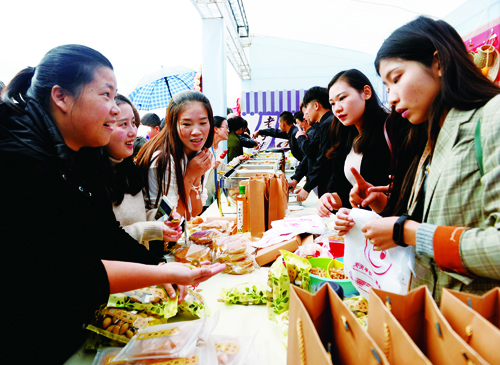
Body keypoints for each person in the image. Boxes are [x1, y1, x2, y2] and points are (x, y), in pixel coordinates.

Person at [0, 44, 225, 363]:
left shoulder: (85, 152)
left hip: (70, 329)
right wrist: (162, 274)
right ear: (61, 97)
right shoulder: (18, 161)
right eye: (106, 95)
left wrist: (160, 266)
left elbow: (105, 233)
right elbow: (69, 275)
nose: (116, 110)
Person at [336, 16, 500, 303]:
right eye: (386, 85)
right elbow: (434, 223)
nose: (392, 96)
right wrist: (380, 208)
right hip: (432, 319)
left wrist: (405, 231)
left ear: (439, 63)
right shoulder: (428, 139)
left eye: (396, 78)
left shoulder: (491, 118)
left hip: (477, 327)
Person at [104, 94, 182, 248]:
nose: (133, 131)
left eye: (133, 122)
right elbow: (106, 240)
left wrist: (159, 218)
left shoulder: (130, 169)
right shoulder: (91, 178)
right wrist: (151, 229)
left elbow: (137, 217)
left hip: (142, 265)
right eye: (123, 124)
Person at [316, 69, 391, 216]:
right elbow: (343, 193)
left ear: (366, 93)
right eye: (332, 103)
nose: (337, 109)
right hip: (359, 230)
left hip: (390, 228)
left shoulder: (391, 130)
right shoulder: (344, 137)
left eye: (342, 98)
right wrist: (328, 198)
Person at [136, 90, 214, 221]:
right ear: (173, 124)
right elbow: (167, 222)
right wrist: (189, 176)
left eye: (203, 123)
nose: (196, 131)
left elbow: (194, 211)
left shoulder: (201, 155)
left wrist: (196, 177)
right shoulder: (161, 161)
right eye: (187, 124)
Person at [294, 86, 334, 201]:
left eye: (306, 108)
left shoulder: (328, 123)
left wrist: (307, 187)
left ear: (316, 105)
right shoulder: (325, 123)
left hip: (330, 187)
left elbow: (323, 160)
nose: (305, 114)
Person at [204, 116, 249, 208]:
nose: (228, 131)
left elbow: (223, 169)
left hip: (210, 198)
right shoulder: (204, 149)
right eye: (226, 127)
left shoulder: (218, 148)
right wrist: (210, 166)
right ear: (216, 129)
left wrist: (238, 159)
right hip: (201, 199)